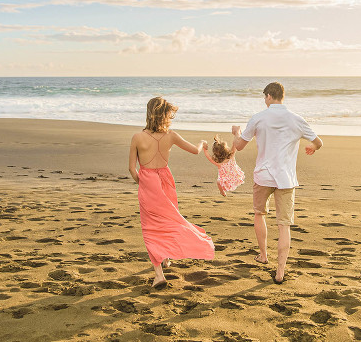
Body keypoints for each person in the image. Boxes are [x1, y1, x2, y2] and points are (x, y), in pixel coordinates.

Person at [232, 81, 323, 284]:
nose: (265, 101)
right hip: (286, 179)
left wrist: (236, 133)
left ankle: (263, 255)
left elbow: (238, 146)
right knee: (284, 225)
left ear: (269, 96)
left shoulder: (258, 118)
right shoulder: (296, 119)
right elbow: (318, 142)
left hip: (263, 176)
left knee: (259, 213)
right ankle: (280, 271)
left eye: (265, 97)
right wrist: (311, 147)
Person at [128, 96, 215, 288]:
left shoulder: (137, 137)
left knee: (151, 227)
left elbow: (132, 169)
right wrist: (202, 142)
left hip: (148, 182)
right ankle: (166, 258)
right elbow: (195, 150)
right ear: (164, 115)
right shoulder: (171, 136)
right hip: (166, 180)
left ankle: (159, 274)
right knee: (169, 219)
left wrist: (142, 184)